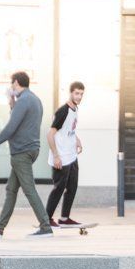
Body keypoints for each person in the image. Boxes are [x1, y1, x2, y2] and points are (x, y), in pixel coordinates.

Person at [0, 71, 53, 237]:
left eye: (12, 84)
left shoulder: (24, 100)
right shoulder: (34, 99)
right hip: (31, 150)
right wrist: (12, 102)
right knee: (11, 189)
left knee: (29, 190)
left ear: (16, 83)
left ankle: (46, 226)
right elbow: (21, 121)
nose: (11, 87)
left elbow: (11, 127)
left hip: (22, 152)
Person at [45, 81, 85, 227]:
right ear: (70, 93)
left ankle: (64, 218)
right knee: (59, 188)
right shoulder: (63, 111)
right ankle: (46, 219)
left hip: (71, 155)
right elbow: (50, 134)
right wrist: (56, 155)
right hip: (61, 157)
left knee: (72, 187)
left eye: (81, 94)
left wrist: (77, 140)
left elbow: (68, 130)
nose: (79, 96)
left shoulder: (75, 109)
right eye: (76, 93)